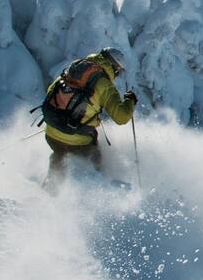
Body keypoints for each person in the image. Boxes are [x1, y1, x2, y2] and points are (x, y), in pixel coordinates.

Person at [37, 48, 137, 189]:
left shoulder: (73, 69)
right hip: (78, 140)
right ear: (114, 68)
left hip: (51, 132)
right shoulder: (105, 85)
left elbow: (51, 91)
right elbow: (121, 118)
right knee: (94, 159)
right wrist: (130, 101)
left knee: (59, 152)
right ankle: (94, 195)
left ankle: (50, 189)